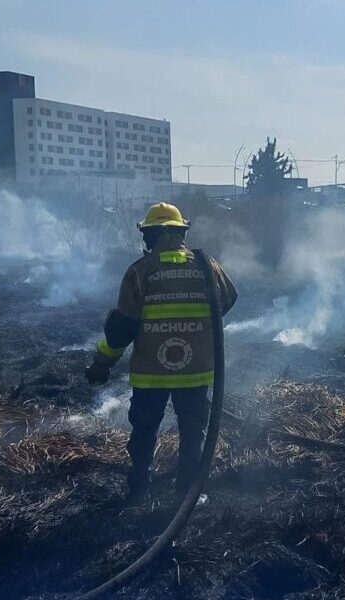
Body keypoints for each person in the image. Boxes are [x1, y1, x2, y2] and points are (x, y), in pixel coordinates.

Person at [84, 202, 237, 505]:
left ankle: (140, 488)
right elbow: (229, 299)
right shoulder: (207, 267)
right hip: (195, 372)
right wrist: (198, 324)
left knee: (144, 430)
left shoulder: (140, 272)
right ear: (181, 233)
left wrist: (102, 364)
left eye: (146, 235)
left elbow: (122, 328)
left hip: (151, 373)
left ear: (154, 235)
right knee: (193, 432)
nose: (145, 240)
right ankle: (188, 491)